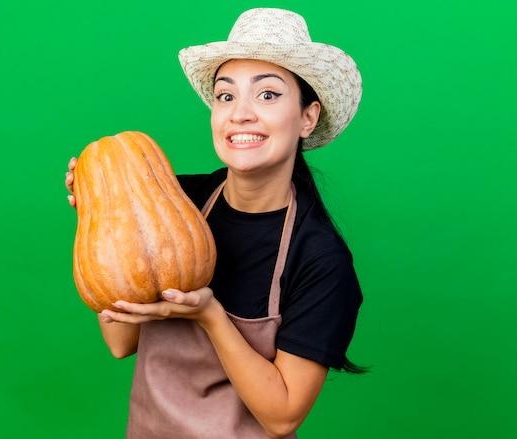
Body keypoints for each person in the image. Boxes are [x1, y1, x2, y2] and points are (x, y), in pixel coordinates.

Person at [65, 8, 366, 439]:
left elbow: (282, 417)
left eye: (267, 95)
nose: (240, 113)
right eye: (226, 96)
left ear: (307, 118)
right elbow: (121, 343)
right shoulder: (173, 197)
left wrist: (210, 315)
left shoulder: (320, 258)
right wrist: (101, 214)